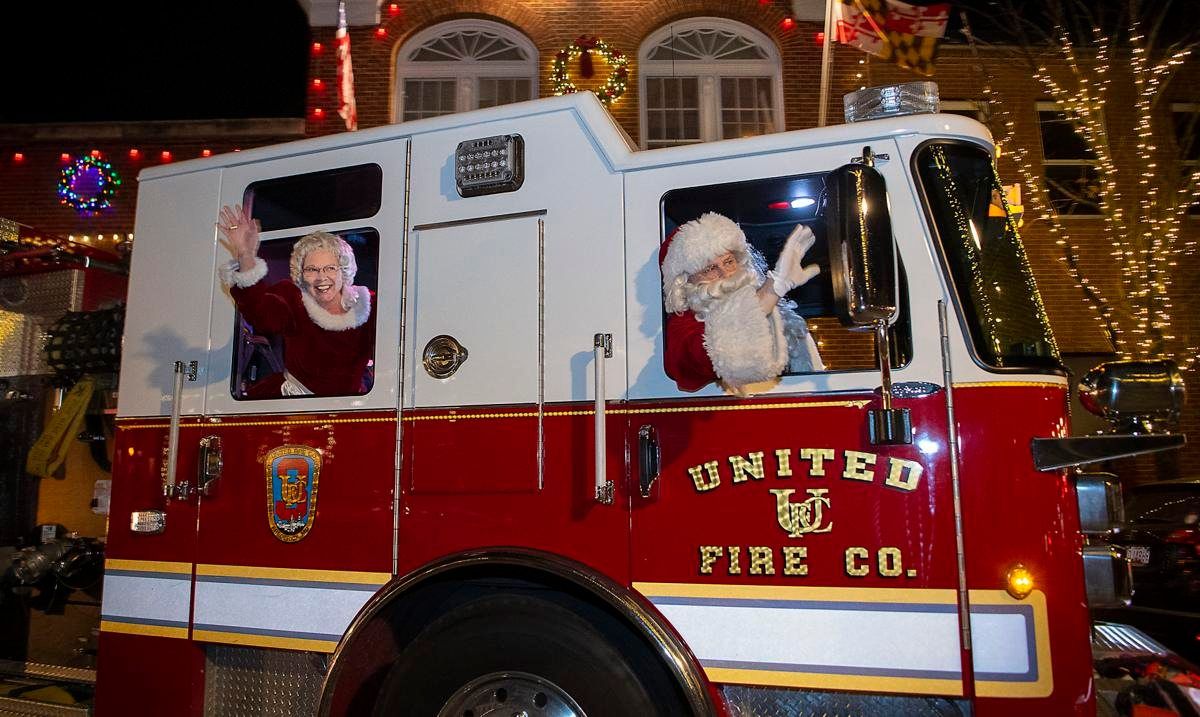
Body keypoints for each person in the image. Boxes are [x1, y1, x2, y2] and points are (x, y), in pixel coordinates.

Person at [216, 203, 375, 397]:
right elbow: (261, 313)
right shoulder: (292, 298)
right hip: (293, 404)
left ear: (344, 270)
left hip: (349, 409)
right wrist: (245, 254)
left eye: (330, 268)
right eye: (311, 269)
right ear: (301, 274)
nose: (321, 277)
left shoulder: (368, 305)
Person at [660, 211, 824, 395]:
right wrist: (772, 290)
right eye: (710, 269)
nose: (726, 274)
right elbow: (702, 358)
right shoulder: (684, 324)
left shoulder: (781, 313)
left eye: (729, 261)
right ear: (687, 282)